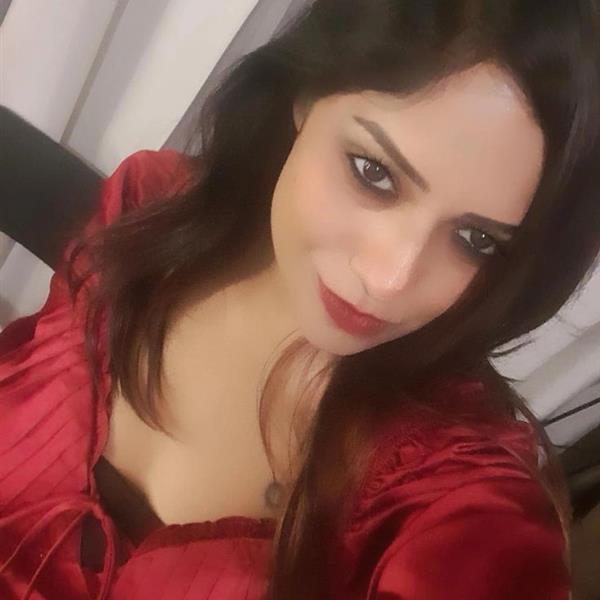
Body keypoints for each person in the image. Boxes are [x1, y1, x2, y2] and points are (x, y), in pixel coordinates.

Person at [1, 1, 599, 598]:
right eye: (373, 171)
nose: (389, 279)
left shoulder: (450, 490)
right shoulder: (147, 206)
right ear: (307, 96)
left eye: (475, 240)